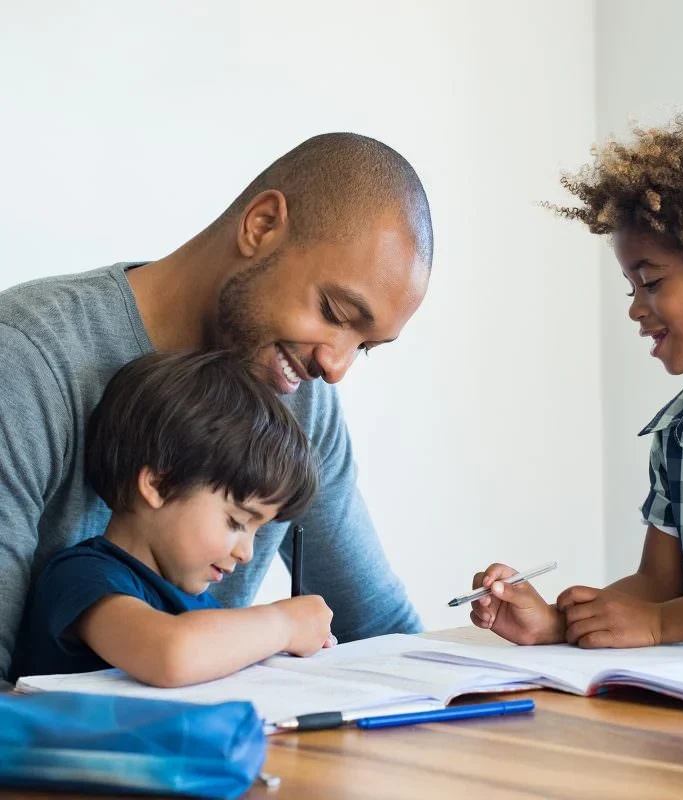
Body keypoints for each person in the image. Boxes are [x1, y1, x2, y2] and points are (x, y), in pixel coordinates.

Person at [0, 132, 433, 684]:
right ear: (261, 226)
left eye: (365, 346)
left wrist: (532, 643)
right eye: (334, 310)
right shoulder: (26, 359)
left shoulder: (303, 400)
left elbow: (384, 631)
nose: (336, 366)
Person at [472, 104, 683, 648]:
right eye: (631, 288)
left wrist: (661, 625)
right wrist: (558, 623)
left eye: (651, 283)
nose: (635, 309)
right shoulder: (681, 430)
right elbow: (658, 583)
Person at [14, 351, 335, 685]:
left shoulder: (200, 608)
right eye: (237, 522)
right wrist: (282, 624)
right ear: (159, 485)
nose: (247, 553)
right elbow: (170, 655)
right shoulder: (83, 578)